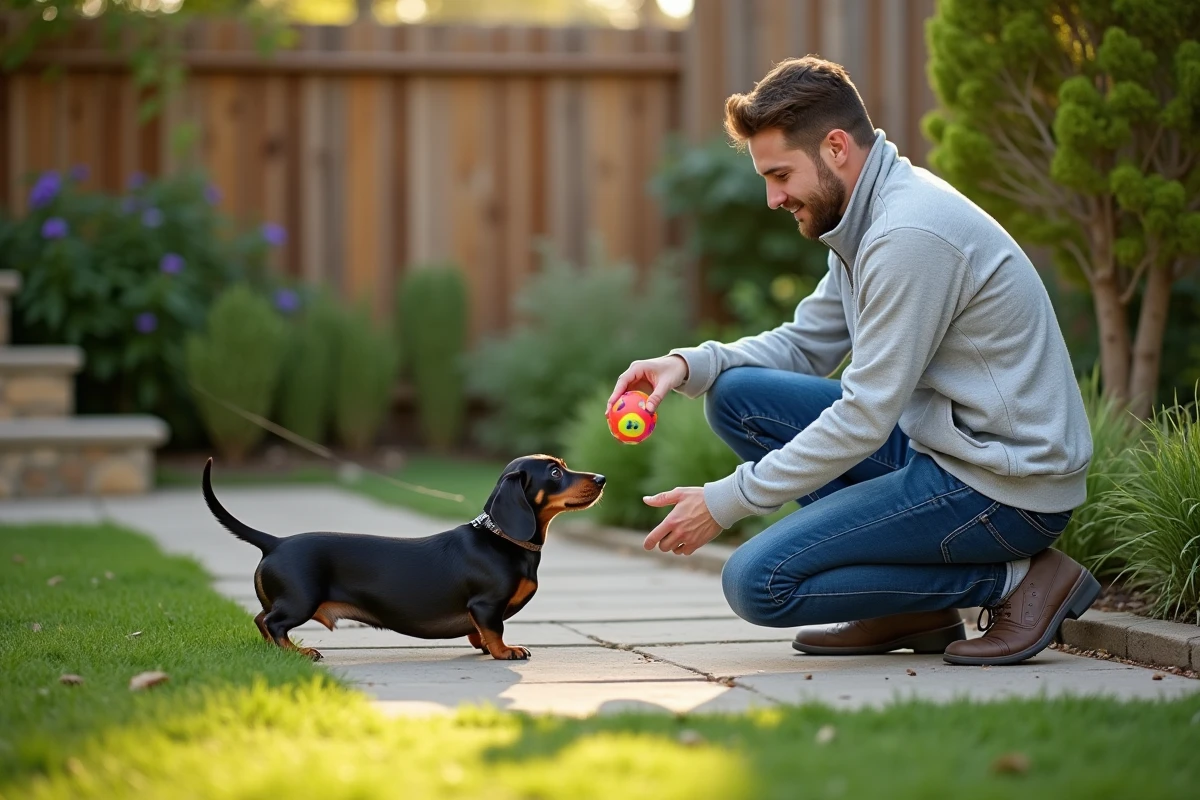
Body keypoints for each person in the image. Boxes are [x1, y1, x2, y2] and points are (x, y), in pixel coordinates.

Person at [607, 56, 1098, 666]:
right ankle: (910, 611)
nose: (772, 197)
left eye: (781, 174)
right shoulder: (863, 219)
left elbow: (865, 416)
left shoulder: (908, 236)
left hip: (1004, 488)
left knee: (757, 582)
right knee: (735, 395)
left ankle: (1018, 582)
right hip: (946, 449)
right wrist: (688, 364)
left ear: (836, 146)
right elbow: (805, 345)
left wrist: (726, 500)